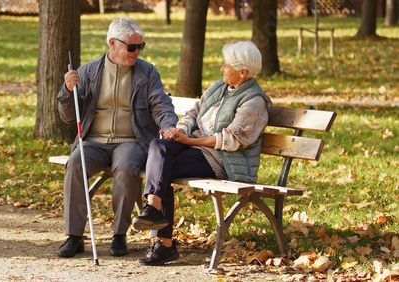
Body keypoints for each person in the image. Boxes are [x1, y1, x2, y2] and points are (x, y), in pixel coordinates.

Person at [132, 41, 272, 266]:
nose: (222, 69)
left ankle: (163, 242)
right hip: (193, 144)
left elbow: (232, 139)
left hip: (221, 158)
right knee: (158, 147)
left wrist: (189, 140)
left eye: (227, 65)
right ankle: (154, 209)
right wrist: (180, 131)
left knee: (161, 169)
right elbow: (195, 111)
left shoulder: (254, 101)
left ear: (243, 72)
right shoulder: (220, 86)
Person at [56, 18, 178, 258]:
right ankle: (74, 236)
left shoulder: (147, 72)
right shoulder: (88, 71)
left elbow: (160, 104)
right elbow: (70, 117)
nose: (137, 52)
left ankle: (119, 235)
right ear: (112, 43)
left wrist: (169, 126)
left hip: (130, 142)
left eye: (140, 46)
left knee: (124, 168)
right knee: (75, 163)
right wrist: (67, 91)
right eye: (131, 47)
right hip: (93, 140)